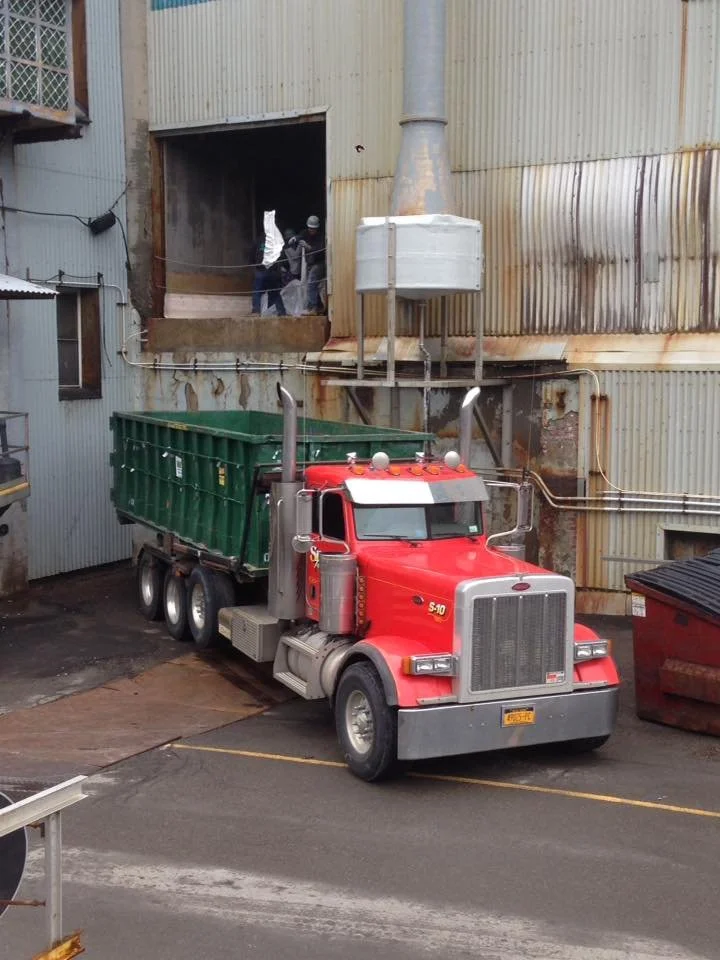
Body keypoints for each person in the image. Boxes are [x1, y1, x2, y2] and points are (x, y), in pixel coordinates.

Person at [251, 234, 286, 316]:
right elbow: (282, 256)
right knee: (273, 292)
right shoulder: (275, 241)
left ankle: (256, 311)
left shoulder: (260, 240)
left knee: (259, 291)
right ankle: (281, 312)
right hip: (267, 269)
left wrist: (254, 265)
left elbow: (252, 255)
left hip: (265, 269)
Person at [298, 214, 326, 314]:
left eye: (313, 229)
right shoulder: (306, 233)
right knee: (313, 285)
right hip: (310, 263)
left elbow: (320, 250)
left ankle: (312, 307)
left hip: (319, 263)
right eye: (310, 228)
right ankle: (319, 307)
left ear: (317, 228)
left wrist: (308, 247)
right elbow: (300, 236)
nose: (311, 230)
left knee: (311, 283)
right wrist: (294, 239)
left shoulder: (321, 237)